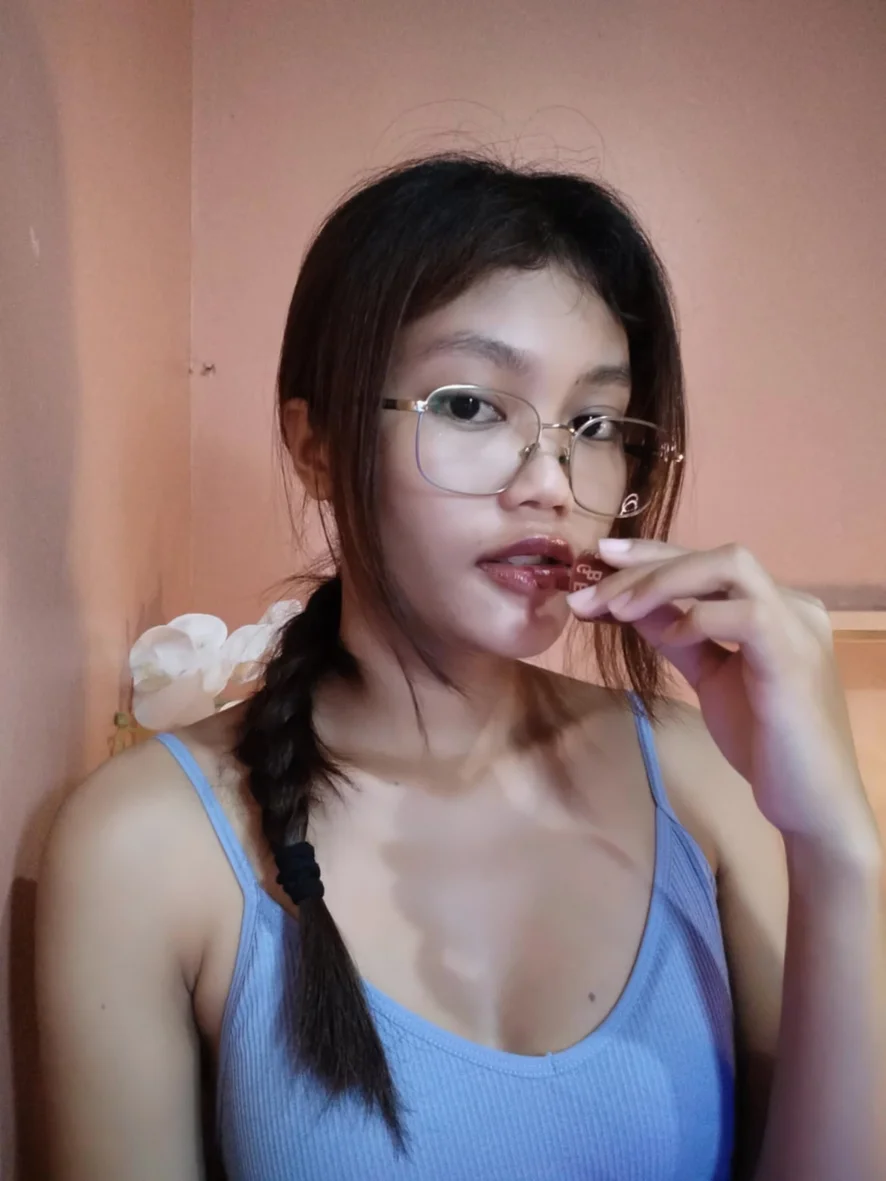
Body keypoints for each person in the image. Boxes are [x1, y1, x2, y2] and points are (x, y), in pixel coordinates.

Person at [36, 154, 883, 1181]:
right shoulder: (146, 844)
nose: (552, 481)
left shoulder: (709, 782)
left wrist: (838, 847)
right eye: (473, 406)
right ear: (316, 442)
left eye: (595, 424)